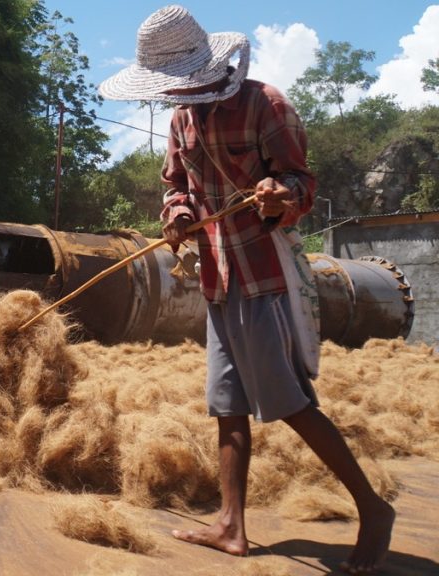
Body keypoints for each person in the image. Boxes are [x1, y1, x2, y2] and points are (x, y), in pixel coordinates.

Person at [98, 5, 395, 574]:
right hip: (217, 275)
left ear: (207, 68)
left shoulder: (266, 105)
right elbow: (176, 186)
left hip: (264, 274)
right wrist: (178, 215)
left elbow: (301, 184)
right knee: (226, 404)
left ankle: (372, 506)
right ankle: (231, 526)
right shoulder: (182, 121)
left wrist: (278, 194)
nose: (175, 96)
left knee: (286, 402)